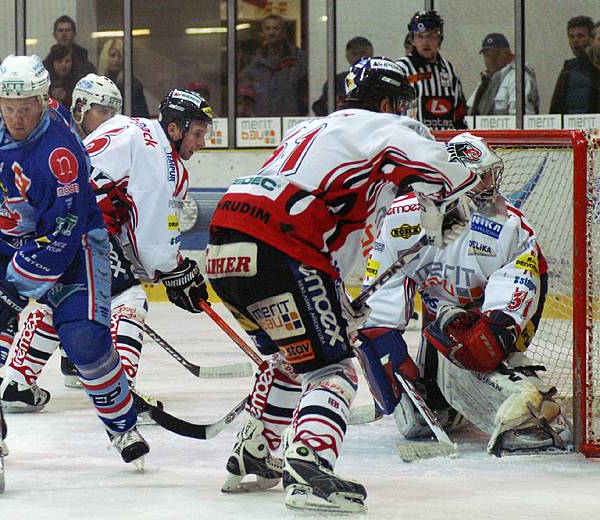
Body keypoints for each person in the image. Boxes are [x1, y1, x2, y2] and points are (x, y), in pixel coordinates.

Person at [204, 56, 480, 513]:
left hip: (225, 245)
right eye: (403, 104)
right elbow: (443, 170)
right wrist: (452, 204)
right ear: (390, 102)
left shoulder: (313, 129)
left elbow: (329, 213)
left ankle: (255, 451)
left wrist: (330, 297)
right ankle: (310, 469)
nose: (406, 112)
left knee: (292, 356)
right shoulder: (385, 126)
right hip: (281, 246)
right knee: (332, 370)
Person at [0, 57, 149, 468]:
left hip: (74, 247)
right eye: (8, 106)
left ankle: (122, 425)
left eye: (26, 106)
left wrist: (12, 292)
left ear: (44, 101)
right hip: (0, 238)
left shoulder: (59, 155)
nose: (16, 116)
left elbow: (59, 239)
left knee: (84, 341)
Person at [1, 77, 213, 415]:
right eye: (198, 134)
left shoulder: (132, 127)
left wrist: (171, 263)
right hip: (79, 222)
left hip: (47, 214)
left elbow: (152, 220)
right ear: (175, 128)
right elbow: (154, 235)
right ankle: (120, 393)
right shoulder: (162, 161)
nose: (202, 143)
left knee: (64, 295)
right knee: (129, 297)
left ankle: (16, 381)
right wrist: (173, 267)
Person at [359, 132, 572, 456]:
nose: (491, 183)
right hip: (443, 311)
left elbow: (518, 281)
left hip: (488, 309)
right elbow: (380, 296)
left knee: (479, 350)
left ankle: (534, 410)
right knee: (413, 417)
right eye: (482, 175)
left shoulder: (507, 225)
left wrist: (495, 329)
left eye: (489, 174)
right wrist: (383, 344)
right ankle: (448, 400)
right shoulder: (401, 219)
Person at [397, 10, 467, 130]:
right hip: (412, 143)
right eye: (420, 36)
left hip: (445, 144)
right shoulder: (401, 68)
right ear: (412, 40)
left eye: (430, 35)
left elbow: (459, 113)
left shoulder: (448, 69)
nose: (425, 42)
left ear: (440, 37)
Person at [240, 14, 308, 116]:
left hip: (292, 118)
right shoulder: (255, 61)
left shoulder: (300, 59)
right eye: (268, 29)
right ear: (263, 32)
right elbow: (245, 89)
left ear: (284, 32)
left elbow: (307, 91)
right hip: (263, 121)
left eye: (276, 28)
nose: (271, 33)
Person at [467, 33, 539, 116]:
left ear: (508, 54)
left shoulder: (518, 78)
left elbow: (521, 120)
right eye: (487, 55)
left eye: (496, 54)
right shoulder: (485, 82)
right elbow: (470, 114)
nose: (491, 59)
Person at [312, 36, 373, 116]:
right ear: (347, 57)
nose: (359, 57)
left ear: (371, 54)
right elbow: (320, 108)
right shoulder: (336, 81)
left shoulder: (380, 78)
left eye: (362, 53)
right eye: (354, 54)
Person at [550, 18, 600, 114]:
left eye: (581, 36)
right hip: (579, 127)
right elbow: (556, 108)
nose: (575, 41)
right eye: (571, 37)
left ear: (591, 39)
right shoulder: (570, 70)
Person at [98, 38, 149, 117]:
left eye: (120, 56)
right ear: (105, 57)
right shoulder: (98, 83)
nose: (116, 59)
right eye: (112, 55)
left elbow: (142, 115)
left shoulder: (133, 84)